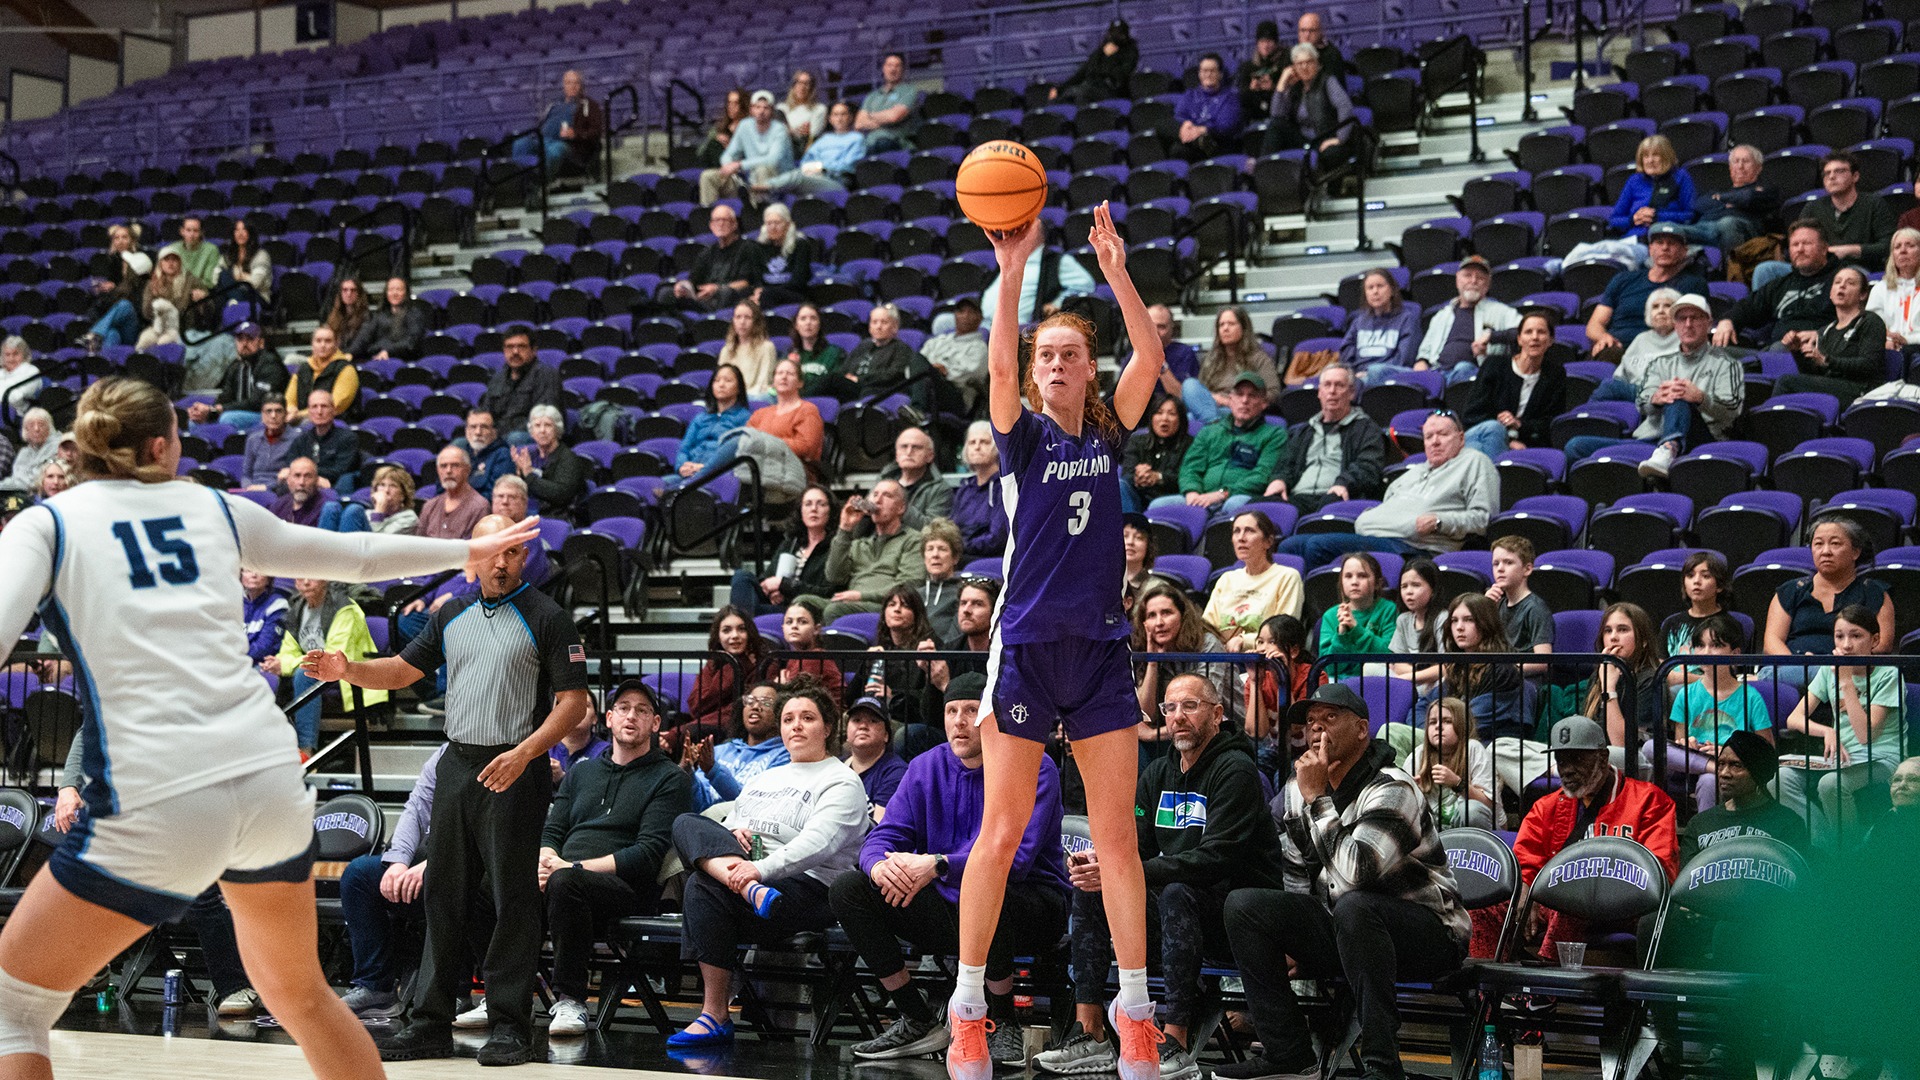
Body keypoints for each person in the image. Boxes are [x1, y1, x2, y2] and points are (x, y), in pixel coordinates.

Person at [0, 376, 542, 1080]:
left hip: (164, 788)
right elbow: (358, 557)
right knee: (301, 996)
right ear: (162, 445)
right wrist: (460, 554)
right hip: (268, 782)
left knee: (16, 1004)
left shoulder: (48, 522)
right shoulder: (215, 507)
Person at [951, 204, 1167, 1080]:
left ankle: (1137, 1011)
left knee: (1117, 839)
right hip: (1029, 644)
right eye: (1046, 355)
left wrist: (1115, 269)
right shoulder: (1022, 435)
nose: (1054, 364)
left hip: (1100, 648)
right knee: (1000, 831)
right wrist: (1012, 272)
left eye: (1069, 354)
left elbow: (1150, 357)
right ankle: (967, 1006)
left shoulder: (1109, 431)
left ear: (1087, 369)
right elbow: (999, 362)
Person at [303, 512, 590, 1066]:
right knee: (443, 895)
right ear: (471, 559)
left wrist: (527, 753)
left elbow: (574, 702)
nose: (501, 562)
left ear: (523, 557)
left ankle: (510, 1024)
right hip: (458, 764)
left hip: (515, 766)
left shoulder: (548, 617)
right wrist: (347, 669)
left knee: (510, 900)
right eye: (491, 552)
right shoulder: (452, 612)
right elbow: (401, 672)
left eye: (511, 553)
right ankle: (429, 1021)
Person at [1217, 683, 1470, 1080]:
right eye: (1311, 722)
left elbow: (1358, 874)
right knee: (1244, 905)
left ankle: (1382, 1066)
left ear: (1361, 730)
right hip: (1349, 928)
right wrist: (1293, 938)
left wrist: (1317, 800)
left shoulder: (1393, 789)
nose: (1317, 730)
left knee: (1357, 906)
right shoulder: (1301, 788)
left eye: (1330, 719)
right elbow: (1297, 868)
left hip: (1430, 933)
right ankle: (1288, 1052)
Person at [1041, 673, 1285, 1080]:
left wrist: (1128, 871)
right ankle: (1090, 1031)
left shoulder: (1237, 770)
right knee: (1093, 891)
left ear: (1218, 714)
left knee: (1175, 892)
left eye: (1190, 706)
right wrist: (1097, 862)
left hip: (1234, 917)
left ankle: (1175, 1037)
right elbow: (1132, 845)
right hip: (1176, 913)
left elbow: (1216, 858)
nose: (1178, 717)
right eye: (1170, 708)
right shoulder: (1157, 773)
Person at [836, 673, 1070, 1063]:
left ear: (992, 718)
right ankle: (916, 1016)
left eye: (971, 711)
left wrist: (939, 864)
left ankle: (1002, 1020)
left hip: (1031, 905)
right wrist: (879, 868)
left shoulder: (1034, 767)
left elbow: (1016, 860)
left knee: (990, 891)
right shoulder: (925, 767)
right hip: (950, 902)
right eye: (951, 711)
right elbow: (883, 836)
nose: (959, 721)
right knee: (849, 888)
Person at [665, 676, 868, 1047]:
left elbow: (818, 843)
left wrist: (760, 869)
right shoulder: (766, 778)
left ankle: (714, 1015)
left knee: (701, 882)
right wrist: (736, 837)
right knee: (686, 823)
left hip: (810, 888)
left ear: (827, 727)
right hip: (753, 883)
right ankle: (715, 1013)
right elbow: (733, 823)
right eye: (789, 718)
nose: (796, 726)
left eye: (807, 718)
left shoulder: (842, 781)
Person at [539, 679, 691, 1038]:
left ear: (655, 724)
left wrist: (569, 868)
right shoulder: (582, 771)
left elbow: (647, 855)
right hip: (563, 875)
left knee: (565, 884)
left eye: (642, 710)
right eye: (623, 708)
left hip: (626, 890)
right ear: (608, 718)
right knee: (490, 883)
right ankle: (498, 996)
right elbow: (553, 830)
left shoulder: (670, 778)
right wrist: (545, 860)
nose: (631, 716)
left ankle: (572, 1000)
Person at [1510, 716, 1678, 958]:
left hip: (1626, 907)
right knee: (1490, 907)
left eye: (1576, 759)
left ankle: (1545, 989)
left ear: (1603, 757)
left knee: (1569, 893)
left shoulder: (1649, 801)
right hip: (1563, 906)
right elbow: (1525, 859)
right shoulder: (1546, 807)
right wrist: (1525, 887)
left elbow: (1662, 870)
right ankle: (1489, 989)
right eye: (1560, 759)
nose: (1566, 768)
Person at [1278, 410, 1498, 567]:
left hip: (1414, 548)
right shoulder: (1412, 472)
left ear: (1461, 438)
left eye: (1443, 434)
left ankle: (1326, 616)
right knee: (1291, 546)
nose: (1435, 442)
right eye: (1429, 437)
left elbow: (1483, 518)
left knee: (1317, 546)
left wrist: (1440, 521)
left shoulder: (1475, 462)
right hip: (1380, 536)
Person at [1565, 294, 1744, 479]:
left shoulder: (1727, 365)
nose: (1688, 324)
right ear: (1675, 325)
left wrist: (1700, 398)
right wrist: (1655, 399)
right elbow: (1643, 403)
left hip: (1699, 438)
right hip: (1650, 441)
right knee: (1576, 446)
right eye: (1682, 319)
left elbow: (1732, 411)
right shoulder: (1660, 364)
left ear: (1709, 323)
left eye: (1695, 318)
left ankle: (1670, 448)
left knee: (1678, 394)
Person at [1776, 604, 1906, 849]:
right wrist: (1827, 730)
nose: (1846, 645)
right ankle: (1825, 843)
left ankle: (1851, 853)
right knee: (1779, 779)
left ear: (1874, 640)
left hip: (1882, 758)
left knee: (1830, 784)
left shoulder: (1888, 675)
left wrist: (1846, 681)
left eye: (1856, 636)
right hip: (1844, 758)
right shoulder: (1828, 672)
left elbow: (1866, 736)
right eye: (1839, 636)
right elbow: (1794, 718)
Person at [336, 747, 442, 1018]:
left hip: (468, 862)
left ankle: (456, 992)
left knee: (450, 879)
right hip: (425, 857)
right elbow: (416, 809)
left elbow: (478, 829)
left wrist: (434, 864)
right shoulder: (444, 754)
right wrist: (397, 862)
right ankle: (375, 987)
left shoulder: (499, 755)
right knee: (359, 874)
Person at [1763, 515, 1896, 687]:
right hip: (1793, 670)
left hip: (1851, 670)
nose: (1825, 551)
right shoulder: (1791, 590)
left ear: (1855, 552)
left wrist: (1833, 662)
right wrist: (1800, 665)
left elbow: (1882, 644)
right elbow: (1772, 641)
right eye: (1818, 544)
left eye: (1835, 544)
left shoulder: (1874, 592)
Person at [1664, 614, 1772, 811]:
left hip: (1734, 767)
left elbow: (1767, 748)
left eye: (1715, 645)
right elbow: (1681, 745)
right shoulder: (1685, 695)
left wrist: (1724, 754)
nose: (1706, 652)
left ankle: (1708, 837)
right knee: (1650, 747)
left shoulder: (1751, 696)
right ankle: (1714, 767)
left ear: (1735, 653)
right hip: (1694, 764)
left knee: (1709, 781)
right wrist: (1689, 744)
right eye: (1700, 645)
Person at [1753, 151, 1897, 295]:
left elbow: (1888, 246)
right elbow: (1797, 239)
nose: (1832, 176)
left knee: (1842, 276)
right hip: (1815, 267)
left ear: (1855, 176)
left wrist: (1849, 250)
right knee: (1765, 270)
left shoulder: (1873, 203)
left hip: (1854, 268)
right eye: (1827, 173)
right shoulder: (1813, 208)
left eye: (1839, 171)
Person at [1433, 593, 1532, 798]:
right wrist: (1431, 726)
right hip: (1449, 740)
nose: (1459, 627)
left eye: (1468, 620)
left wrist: (1435, 724)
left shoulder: (1502, 669)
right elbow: (1425, 705)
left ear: (1486, 624)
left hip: (1484, 743)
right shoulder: (1456, 668)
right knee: (1395, 731)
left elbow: (1473, 720)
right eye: (1454, 620)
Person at [268, 577, 381, 757]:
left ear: (325, 579)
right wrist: (279, 664)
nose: (305, 582)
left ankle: (306, 750)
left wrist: (287, 665)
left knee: (305, 673)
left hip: (348, 673)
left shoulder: (345, 609)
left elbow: (334, 657)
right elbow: (288, 650)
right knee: (266, 676)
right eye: (300, 578)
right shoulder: (297, 609)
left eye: (311, 577)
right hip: (315, 672)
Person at [1132, 580, 1240, 757]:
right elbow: (1146, 714)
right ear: (1144, 624)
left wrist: (1153, 734)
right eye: (1151, 615)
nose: (1159, 622)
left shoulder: (1207, 645)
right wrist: (1153, 662)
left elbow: (1203, 716)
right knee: (1135, 750)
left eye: (1166, 613)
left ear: (1182, 616)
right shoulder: (1150, 652)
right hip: (1180, 734)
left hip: (1228, 734)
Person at [1161, 372, 1286, 522]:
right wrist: (1192, 491)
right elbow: (1190, 467)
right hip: (1201, 496)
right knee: (1159, 505)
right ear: (1230, 399)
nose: (1245, 400)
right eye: (1239, 394)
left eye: (1252, 396)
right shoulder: (1209, 432)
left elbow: (1262, 475)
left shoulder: (1274, 434)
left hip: (1239, 496)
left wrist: (1223, 493)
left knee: (1235, 505)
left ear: (1264, 403)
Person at [1264, 364, 1386, 513]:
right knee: (1256, 507)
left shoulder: (1366, 428)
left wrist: (1345, 483)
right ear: (1319, 392)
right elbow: (1286, 464)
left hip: (1337, 494)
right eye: (1327, 385)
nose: (1332, 391)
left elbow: (1368, 466)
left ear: (1352, 393)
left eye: (1339, 385)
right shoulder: (1303, 431)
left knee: (1330, 505)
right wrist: (1279, 480)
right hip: (1298, 497)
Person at [1586, 224, 1711, 361]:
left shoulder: (1693, 285)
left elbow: (1693, 326)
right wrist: (1604, 338)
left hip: (1660, 350)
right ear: (1650, 249)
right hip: (1617, 347)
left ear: (1684, 251)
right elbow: (1594, 324)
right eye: (1659, 242)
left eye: (1671, 243)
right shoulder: (1624, 280)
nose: (1665, 248)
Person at [1679, 732, 1808, 864]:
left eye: (1736, 765)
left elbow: (1797, 876)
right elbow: (1687, 880)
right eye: (1721, 764)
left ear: (1758, 771)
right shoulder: (1699, 824)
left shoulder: (1788, 823)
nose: (1724, 773)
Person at [1715, 219, 1841, 350]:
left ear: (1824, 248)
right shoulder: (1782, 284)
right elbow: (1748, 307)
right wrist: (1727, 321)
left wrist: (1820, 334)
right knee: (1717, 352)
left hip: (1817, 351)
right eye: (1795, 245)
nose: (1800, 249)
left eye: (1807, 243)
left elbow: (1855, 322)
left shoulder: (1841, 279)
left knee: (1777, 349)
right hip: (1775, 352)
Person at [1773, 266, 1889, 407]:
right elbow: (1815, 374)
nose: (1842, 286)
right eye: (1837, 282)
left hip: (1861, 389)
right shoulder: (1826, 330)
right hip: (1833, 387)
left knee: (1786, 382)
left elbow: (1869, 365)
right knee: (1790, 386)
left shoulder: (1870, 321)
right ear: (1830, 293)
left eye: (1850, 283)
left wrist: (1828, 361)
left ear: (1863, 294)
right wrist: (1797, 352)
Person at [1462, 310, 1568, 461]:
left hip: (1530, 443)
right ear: (1519, 339)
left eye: (1541, 332)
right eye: (1528, 332)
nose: (1535, 337)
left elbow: (1551, 422)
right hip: (1486, 438)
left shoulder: (1555, 374)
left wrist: (1519, 425)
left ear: (1550, 340)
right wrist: (1507, 439)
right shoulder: (1494, 365)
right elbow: (1472, 415)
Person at [824, 478, 926, 620]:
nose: (878, 501)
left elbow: (908, 586)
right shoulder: (859, 544)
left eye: (887, 496)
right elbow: (834, 576)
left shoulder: (913, 540)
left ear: (901, 508)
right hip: (849, 603)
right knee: (804, 604)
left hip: (885, 607)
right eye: (875, 495)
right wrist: (845, 529)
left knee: (834, 611)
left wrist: (861, 596)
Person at [1203, 510, 1305, 649]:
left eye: (1249, 531)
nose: (1241, 538)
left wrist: (1244, 640)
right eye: (1236, 531)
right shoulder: (1226, 579)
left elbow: (1284, 630)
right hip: (1223, 656)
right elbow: (1207, 626)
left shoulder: (1287, 577)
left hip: (1266, 659)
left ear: (1268, 541)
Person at [682, 681, 791, 811]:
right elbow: (700, 804)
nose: (755, 706)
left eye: (766, 702)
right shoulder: (720, 751)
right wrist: (687, 772)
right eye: (750, 701)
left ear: (781, 713)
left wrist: (714, 771)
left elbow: (752, 805)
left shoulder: (783, 756)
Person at [731, 484, 837, 614]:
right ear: (801, 511)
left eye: (821, 504)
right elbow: (767, 579)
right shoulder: (791, 543)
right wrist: (773, 591)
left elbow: (828, 593)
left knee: (750, 613)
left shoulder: (836, 548)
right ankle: (743, 623)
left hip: (804, 611)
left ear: (830, 511)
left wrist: (784, 585)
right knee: (742, 576)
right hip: (777, 605)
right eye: (808, 504)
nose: (813, 509)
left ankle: (743, 624)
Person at [1414, 256, 1519, 385]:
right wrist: (1421, 362)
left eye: (1480, 278)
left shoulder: (1501, 311)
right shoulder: (1442, 315)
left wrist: (1492, 336)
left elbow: (1524, 331)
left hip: (1474, 372)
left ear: (1487, 285)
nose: (1473, 281)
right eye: (1468, 276)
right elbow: (1425, 352)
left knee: (1463, 368)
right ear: (1458, 280)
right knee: (1382, 370)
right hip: (1436, 372)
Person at [685, 606, 766, 751]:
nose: (734, 635)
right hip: (709, 728)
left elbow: (738, 711)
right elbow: (696, 706)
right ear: (718, 636)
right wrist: (735, 666)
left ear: (750, 633)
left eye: (741, 629)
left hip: (746, 731)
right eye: (726, 630)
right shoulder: (713, 664)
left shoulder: (765, 663)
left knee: (688, 735)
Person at [1261, 42, 1355, 167]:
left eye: (1309, 62)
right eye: (1299, 64)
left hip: (1324, 139)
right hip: (1303, 141)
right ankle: (1263, 169)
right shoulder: (1295, 87)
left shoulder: (1327, 81)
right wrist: (1282, 83)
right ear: (1294, 67)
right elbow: (1276, 115)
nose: (1304, 67)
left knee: (1333, 154)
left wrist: (1340, 138)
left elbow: (1346, 107)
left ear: (1317, 63)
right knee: (1276, 125)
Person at [661, 204, 765, 313]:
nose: (720, 224)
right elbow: (694, 280)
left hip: (730, 298)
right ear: (711, 226)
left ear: (734, 225)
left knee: (725, 294)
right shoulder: (707, 252)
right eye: (717, 220)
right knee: (666, 293)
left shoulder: (747, 247)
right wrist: (682, 286)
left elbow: (746, 282)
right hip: (703, 297)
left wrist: (717, 288)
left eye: (725, 220)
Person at [1677, 143, 1780, 253]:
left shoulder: (1767, 189)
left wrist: (1720, 198)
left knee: (1727, 223)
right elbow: (1698, 205)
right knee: (1667, 229)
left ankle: (1732, 267)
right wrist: (1732, 201)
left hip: (1742, 230)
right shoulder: (1718, 191)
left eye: (1746, 161)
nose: (1740, 166)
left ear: (1758, 168)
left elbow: (1748, 198)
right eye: (1736, 162)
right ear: (1730, 168)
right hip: (1704, 229)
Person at [184, 321, 284, 432]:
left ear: (261, 343)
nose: (244, 344)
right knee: (194, 421)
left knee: (228, 418)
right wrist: (206, 410)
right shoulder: (236, 366)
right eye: (240, 339)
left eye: (250, 339)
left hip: (266, 414)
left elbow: (257, 402)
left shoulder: (270, 363)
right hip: (238, 411)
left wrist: (218, 409)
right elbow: (226, 396)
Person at [820, 304, 930, 406]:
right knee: (831, 380)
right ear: (869, 327)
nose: (878, 326)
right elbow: (844, 369)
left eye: (884, 322)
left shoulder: (901, 348)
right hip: (852, 387)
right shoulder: (863, 345)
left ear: (894, 327)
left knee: (832, 379)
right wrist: (847, 377)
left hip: (876, 389)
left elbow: (894, 375)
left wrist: (859, 380)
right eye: (874, 322)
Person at [1182, 306, 1278, 423]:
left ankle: (1214, 427)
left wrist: (1232, 401)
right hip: (1211, 408)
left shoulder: (1259, 358)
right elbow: (1201, 392)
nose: (1225, 329)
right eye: (1221, 325)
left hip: (1240, 410)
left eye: (1231, 324)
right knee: (1189, 385)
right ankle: (1215, 424)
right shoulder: (1210, 359)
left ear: (1244, 328)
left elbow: (1273, 393)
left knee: (1190, 419)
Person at [700, 90, 795, 205]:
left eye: (766, 108)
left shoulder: (780, 129)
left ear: (771, 111)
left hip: (776, 180)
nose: (761, 111)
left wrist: (739, 165)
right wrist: (728, 164)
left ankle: (758, 215)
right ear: (751, 109)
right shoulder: (745, 125)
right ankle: (711, 217)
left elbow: (773, 160)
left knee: (762, 169)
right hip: (747, 180)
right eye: (757, 107)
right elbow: (728, 154)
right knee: (708, 176)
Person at [1414, 697, 1496, 829]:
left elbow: (1488, 805)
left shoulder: (1473, 749)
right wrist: (1412, 791)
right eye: (1432, 722)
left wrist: (1457, 783)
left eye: (1447, 721)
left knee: (1471, 810)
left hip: (1471, 833)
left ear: (1462, 725)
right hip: (1434, 833)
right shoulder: (1418, 755)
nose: (1438, 726)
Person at [977, 244, 1099, 332]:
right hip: (985, 328)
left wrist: (1058, 302)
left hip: (1022, 332)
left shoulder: (1054, 260)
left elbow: (1086, 284)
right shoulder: (1007, 260)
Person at [756, 100, 865, 197]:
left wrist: (821, 167)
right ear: (830, 119)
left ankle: (761, 187)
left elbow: (848, 166)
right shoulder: (824, 139)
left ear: (850, 117)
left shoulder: (857, 138)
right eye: (835, 115)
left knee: (796, 177)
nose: (839, 118)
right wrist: (816, 168)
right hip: (815, 177)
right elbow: (806, 162)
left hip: (837, 182)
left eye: (843, 114)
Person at [1591, 288, 1681, 404]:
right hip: (1636, 391)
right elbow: (1620, 376)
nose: (1660, 311)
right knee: (1607, 386)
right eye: (1655, 307)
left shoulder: (1684, 338)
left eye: (1667, 306)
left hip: (1664, 391)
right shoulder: (1641, 339)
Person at [1318, 552, 1397, 678]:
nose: (1354, 582)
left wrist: (1356, 629)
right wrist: (1342, 634)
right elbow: (1330, 669)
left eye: (1362, 576)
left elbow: (1389, 655)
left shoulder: (1388, 609)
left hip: (1376, 679)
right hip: (1340, 682)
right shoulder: (1331, 615)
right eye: (1348, 576)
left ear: (1377, 583)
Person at [511, 69, 601, 175]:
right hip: (542, 140)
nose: (572, 86)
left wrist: (575, 134)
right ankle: (519, 182)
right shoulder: (554, 104)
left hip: (565, 144)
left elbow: (596, 131)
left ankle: (542, 183)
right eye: (568, 83)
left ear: (582, 86)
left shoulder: (589, 105)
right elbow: (541, 124)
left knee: (554, 151)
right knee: (520, 144)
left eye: (576, 83)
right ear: (564, 85)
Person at [1607, 135, 1696, 241]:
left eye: (1655, 155)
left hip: (1666, 239)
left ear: (1667, 156)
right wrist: (1633, 219)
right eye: (1645, 156)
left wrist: (1657, 217)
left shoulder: (1681, 177)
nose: (1650, 160)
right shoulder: (1634, 180)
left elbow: (1691, 216)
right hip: (1634, 238)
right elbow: (1614, 219)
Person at [672, 364, 752, 480]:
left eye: (728, 380)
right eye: (716, 380)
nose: (721, 385)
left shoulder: (745, 418)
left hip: (718, 475)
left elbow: (736, 453)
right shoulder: (700, 417)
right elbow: (684, 448)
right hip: (688, 472)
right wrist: (681, 467)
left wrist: (705, 468)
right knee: (655, 486)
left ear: (739, 388)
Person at [1339, 269, 1420, 381]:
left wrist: (1369, 372)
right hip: (1359, 376)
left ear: (1392, 290)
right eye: (1370, 288)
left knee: (1376, 371)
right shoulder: (1359, 321)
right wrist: (1354, 374)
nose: (1375, 292)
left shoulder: (1407, 319)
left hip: (1391, 375)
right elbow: (1346, 355)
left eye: (1380, 286)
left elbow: (1404, 359)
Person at [748, 357, 826, 473]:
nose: (784, 377)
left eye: (790, 374)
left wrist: (765, 443)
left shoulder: (807, 410)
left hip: (794, 472)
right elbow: (746, 442)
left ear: (800, 383)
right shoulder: (760, 413)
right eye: (780, 373)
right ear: (773, 381)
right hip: (761, 470)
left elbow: (806, 447)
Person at [1489, 536, 1554, 673]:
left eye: (1508, 562)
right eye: (1496, 563)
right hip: (1500, 679)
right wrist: (1485, 609)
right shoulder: (1497, 605)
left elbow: (1543, 662)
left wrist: (1503, 672)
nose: (1500, 569)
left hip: (1526, 682)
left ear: (1527, 569)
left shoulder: (1535, 608)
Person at [482, 328, 559, 441]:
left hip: (530, 436)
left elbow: (542, 419)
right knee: (461, 442)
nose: (515, 352)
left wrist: (498, 433)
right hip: (500, 436)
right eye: (510, 347)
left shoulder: (546, 375)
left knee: (516, 438)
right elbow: (486, 412)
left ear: (534, 350)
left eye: (521, 346)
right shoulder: (497, 378)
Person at [1119, 396, 1192, 514]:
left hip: (1169, 497)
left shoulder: (1190, 444)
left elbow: (1187, 479)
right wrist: (1139, 476)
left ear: (1181, 420)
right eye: (1159, 413)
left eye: (1172, 414)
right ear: (1151, 417)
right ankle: (1130, 528)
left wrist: (1158, 477)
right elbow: (1127, 473)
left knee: (1157, 504)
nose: (1164, 418)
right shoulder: (1137, 441)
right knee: (1120, 485)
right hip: (1139, 495)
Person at [1660, 550, 1732, 667]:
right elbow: (1661, 669)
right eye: (1690, 575)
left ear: (1719, 586)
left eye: (1706, 576)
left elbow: (1729, 673)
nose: (1696, 581)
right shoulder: (1671, 624)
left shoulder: (1729, 625)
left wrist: (1686, 678)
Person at [511, 405, 587, 514]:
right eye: (537, 425)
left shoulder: (568, 458)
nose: (542, 430)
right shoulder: (527, 454)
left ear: (557, 429)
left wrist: (528, 475)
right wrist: (518, 474)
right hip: (528, 509)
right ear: (531, 432)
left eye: (548, 425)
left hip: (557, 515)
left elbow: (561, 494)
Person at [767, 596, 845, 702]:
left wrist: (780, 684)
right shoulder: (794, 658)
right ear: (783, 628)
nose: (794, 626)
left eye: (802, 622)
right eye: (789, 622)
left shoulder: (814, 658)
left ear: (816, 629)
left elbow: (789, 696)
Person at [951, 420, 1008, 557]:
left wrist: (959, 547)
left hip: (989, 558)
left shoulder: (1003, 487)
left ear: (997, 447)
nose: (977, 447)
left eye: (984, 442)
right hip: (959, 555)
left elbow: (997, 538)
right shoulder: (965, 488)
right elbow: (951, 529)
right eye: (972, 442)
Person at [928, 578, 996, 692]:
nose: (966, 610)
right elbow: (930, 708)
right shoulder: (949, 652)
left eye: (977, 604)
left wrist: (946, 686)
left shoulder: (1006, 653)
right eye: (963, 603)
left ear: (994, 612)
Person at [283, 389, 360, 490]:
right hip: (303, 487)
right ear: (309, 412)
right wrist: (315, 479)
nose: (319, 412)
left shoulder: (348, 439)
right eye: (314, 407)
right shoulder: (301, 440)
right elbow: (291, 466)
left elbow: (340, 470)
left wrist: (307, 474)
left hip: (333, 488)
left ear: (333, 410)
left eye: (324, 406)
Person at [843, 696, 909, 812]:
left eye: (873, 721)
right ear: (847, 733)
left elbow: (881, 826)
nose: (863, 726)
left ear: (886, 735)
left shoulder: (896, 772)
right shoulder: (835, 766)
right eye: (856, 720)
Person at [882, 426, 956, 530]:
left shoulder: (940, 490)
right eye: (904, 447)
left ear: (930, 456)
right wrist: (864, 514)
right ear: (897, 455)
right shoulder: (883, 481)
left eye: (916, 447)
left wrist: (899, 505)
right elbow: (858, 533)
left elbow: (934, 532)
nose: (909, 452)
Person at [1173, 54, 1243, 162]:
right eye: (1204, 71)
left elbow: (1226, 126)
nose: (1208, 74)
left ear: (1220, 74)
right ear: (1199, 74)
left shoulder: (1229, 97)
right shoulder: (1190, 95)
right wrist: (1186, 124)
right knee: (1177, 146)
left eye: (1212, 71)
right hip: (1192, 143)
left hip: (1217, 144)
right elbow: (1179, 115)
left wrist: (1203, 130)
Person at [923, 298, 990, 409]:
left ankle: (916, 409)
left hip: (955, 396)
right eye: (961, 311)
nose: (965, 316)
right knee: (916, 359)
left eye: (971, 312)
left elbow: (973, 375)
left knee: (924, 373)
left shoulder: (980, 348)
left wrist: (944, 371)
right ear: (955, 316)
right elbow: (917, 362)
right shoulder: (938, 340)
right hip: (926, 387)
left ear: (980, 318)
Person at [1052, 18, 1138, 105]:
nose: (1116, 37)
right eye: (1113, 33)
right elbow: (1081, 73)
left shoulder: (1130, 51)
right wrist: (1059, 89)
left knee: (1082, 94)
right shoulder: (1101, 51)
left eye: (1120, 33)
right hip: (1093, 87)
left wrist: (1110, 57)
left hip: (1114, 91)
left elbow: (1120, 76)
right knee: (1064, 97)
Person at [414, 445, 489, 540]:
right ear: (438, 471)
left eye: (455, 465)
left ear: (468, 470)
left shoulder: (480, 507)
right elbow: (418, 546)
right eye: (443, 466)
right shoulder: (429, 506)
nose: (448, 471)